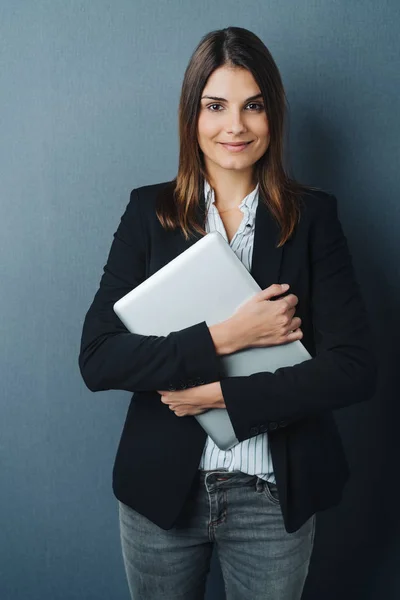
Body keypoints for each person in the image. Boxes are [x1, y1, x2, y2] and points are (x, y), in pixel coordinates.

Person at [78, 26, 378, 600]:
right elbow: (97, 359)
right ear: (193, 115)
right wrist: (227, 335)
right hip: (161, 494)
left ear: (274, 115)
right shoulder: (150, 213)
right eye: (216, 106)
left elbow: (354, 368)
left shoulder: (313, 218)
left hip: (273, 496)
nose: (235, 126)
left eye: (253, 106)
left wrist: (220, 397)